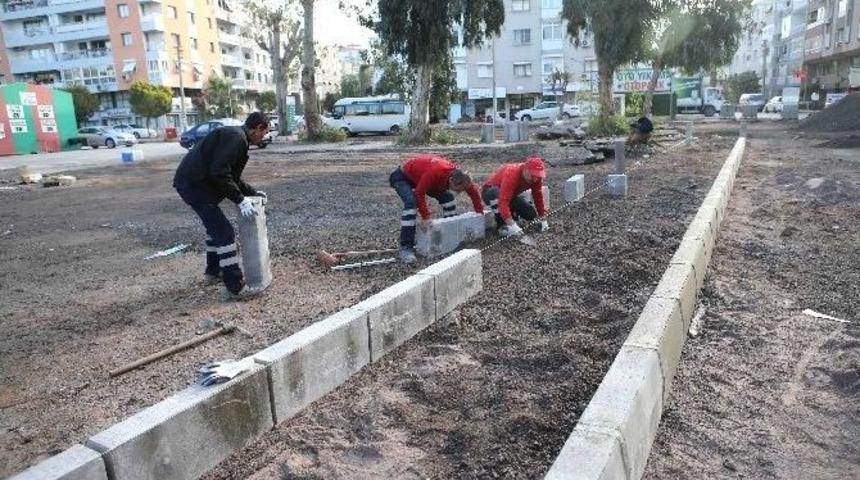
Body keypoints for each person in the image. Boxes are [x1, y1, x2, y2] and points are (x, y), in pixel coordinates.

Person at [173, 112, 270, 299]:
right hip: (194, 186)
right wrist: (240, 200)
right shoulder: (236, 139)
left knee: (214, 230)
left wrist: (252, 192)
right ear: (258, 128)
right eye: (264, 132)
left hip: (195, 184)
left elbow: (232, 177)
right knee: (224, 233)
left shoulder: (237, 137)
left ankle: (213, 272)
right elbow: (218, 172)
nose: (264, 137)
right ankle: (235, 286)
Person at [389, 154, 485, 264]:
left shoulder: (462, 178)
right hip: (403, 177)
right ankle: (406, 248)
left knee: (448, 198)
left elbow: (474, 193)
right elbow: (420, 193)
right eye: (459, 190)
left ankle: (450, 236)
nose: (460, 192)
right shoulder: (435, 172)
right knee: (411, 203)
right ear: (451, 180)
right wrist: (426, 217)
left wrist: (480, 213)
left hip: (423, 178)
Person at [482, 157, 549, 237]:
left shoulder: (536, 179)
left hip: (510, 195)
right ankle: (502, 225)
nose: (535, 179)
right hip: (490, 193)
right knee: (494, 194)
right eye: (533, 175)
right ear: (525, 169)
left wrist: (543, 218)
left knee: (531, 214)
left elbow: (538, 197)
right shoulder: (512, 173)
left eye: (538, 176)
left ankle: (513, 217)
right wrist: (511, 224)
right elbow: (503, 201)